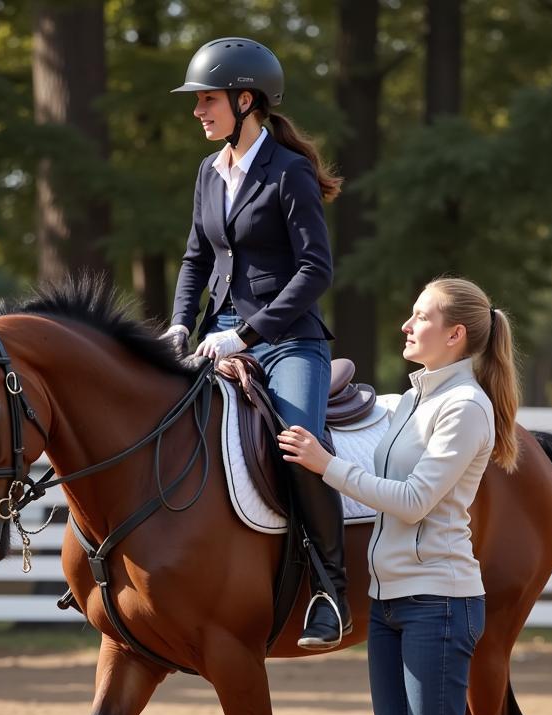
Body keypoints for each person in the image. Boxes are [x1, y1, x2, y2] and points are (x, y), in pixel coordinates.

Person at [277, 278, 538, 715]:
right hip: (391, 606)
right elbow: (375, 478)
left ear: (456, 335)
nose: (406, 323)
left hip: (440, 604)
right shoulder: (413, 400)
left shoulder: (467, 408)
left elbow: (419, 500)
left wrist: (327, 467)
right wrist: (324, 461)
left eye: (420, 315)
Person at [163, 36, 351, 649]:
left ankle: (331, 589)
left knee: (300, 445)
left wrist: (246, 331)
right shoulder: (207, 171)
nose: (198, 111)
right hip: (215, 342)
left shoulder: (288, 171)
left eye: (208, 99)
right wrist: (178, 325)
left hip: (287, 343)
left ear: (246, 100)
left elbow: (316, 270)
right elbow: (196, 258)